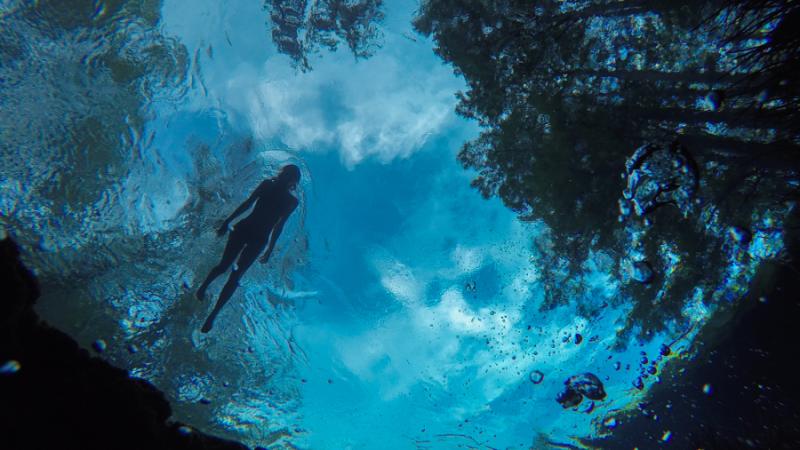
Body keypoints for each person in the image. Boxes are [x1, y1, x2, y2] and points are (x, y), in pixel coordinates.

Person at [196, 164, 301, 333]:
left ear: (293, 181)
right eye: (285, 173)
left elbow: (279, 226)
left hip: (259, 240)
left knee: (236, 276)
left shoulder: (291, 201)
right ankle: (203, 287)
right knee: (224, 266)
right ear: (282, 174)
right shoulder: (267, 185)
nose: (286, 177)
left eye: (289, 176)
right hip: (244, 229)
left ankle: (213, 314)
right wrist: (227, 221)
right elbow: (248, 204)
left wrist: (269, 249)